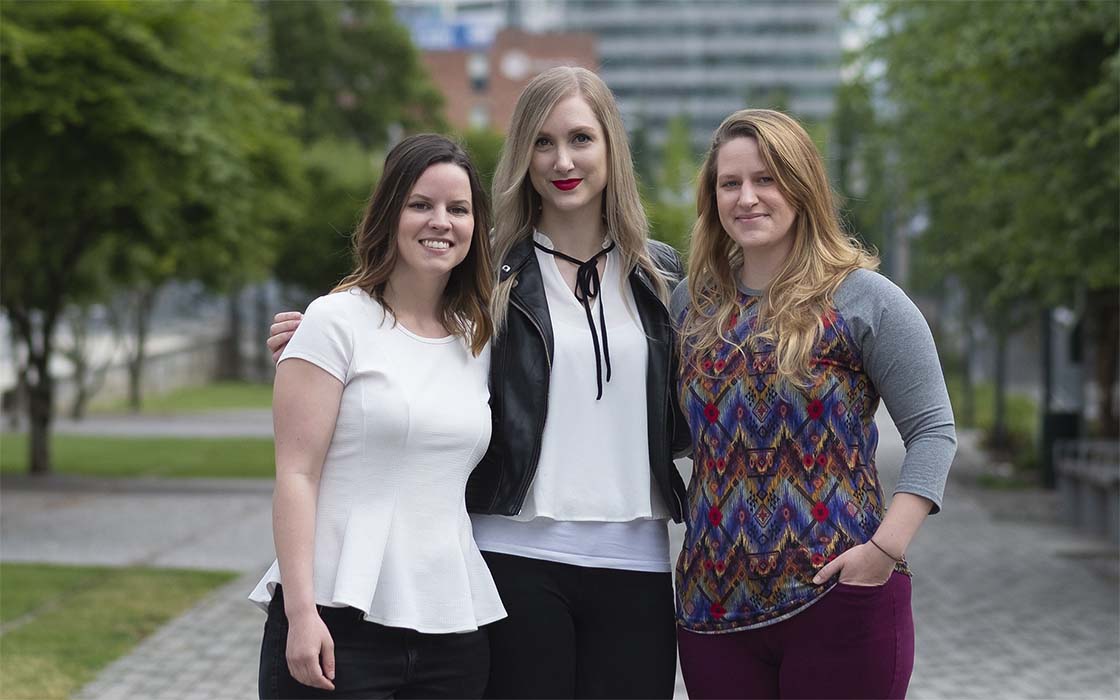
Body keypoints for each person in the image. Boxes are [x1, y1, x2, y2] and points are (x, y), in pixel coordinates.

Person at [268, 67, 686, 699]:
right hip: (513, 555)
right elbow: (400, 323)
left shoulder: (661, 276)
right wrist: (312, 338)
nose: (562, 159)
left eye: (580, 139)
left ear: (611, 147)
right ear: (521, 155)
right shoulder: (489, 274)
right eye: (542, 142)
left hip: (637, 558)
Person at [669, 108, 957, 699]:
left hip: (839, 601)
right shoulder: (690, 307)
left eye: (766, 179)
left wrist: (885, 550)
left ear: (801, 186)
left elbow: (933, 430)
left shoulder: (864, 297)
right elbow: (674, 437)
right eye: (731, 183)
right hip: (713, 609)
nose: (747, 198)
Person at [250, 134, 506, 700]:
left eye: (458, 209)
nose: (440, 221)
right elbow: (296, 476)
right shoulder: (334, 321)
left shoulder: (478, 340)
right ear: (390, 213)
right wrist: (300, 614)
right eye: (421, 204)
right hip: (337, 625)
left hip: (453, 630)